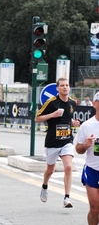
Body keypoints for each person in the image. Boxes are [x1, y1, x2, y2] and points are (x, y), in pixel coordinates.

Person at [35, 78, 80, 207]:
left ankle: (67, 198)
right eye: (62, 85)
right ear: (57, 88)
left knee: (68, 167)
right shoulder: (51, 102)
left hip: (67, 140)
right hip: (52, 141)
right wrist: (52, 115)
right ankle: (44, 186)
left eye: (67, 85)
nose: (65, 87)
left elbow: (68, 119)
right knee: (50, 169)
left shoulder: (72, 103)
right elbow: (37, 118)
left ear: (69, 87)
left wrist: (74, 123)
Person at [75, 91, 99, 225]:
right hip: (92, 170)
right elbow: (78, 149)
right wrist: (86, 145)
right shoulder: (87, 126)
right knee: (95, 208)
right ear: (95, 104)